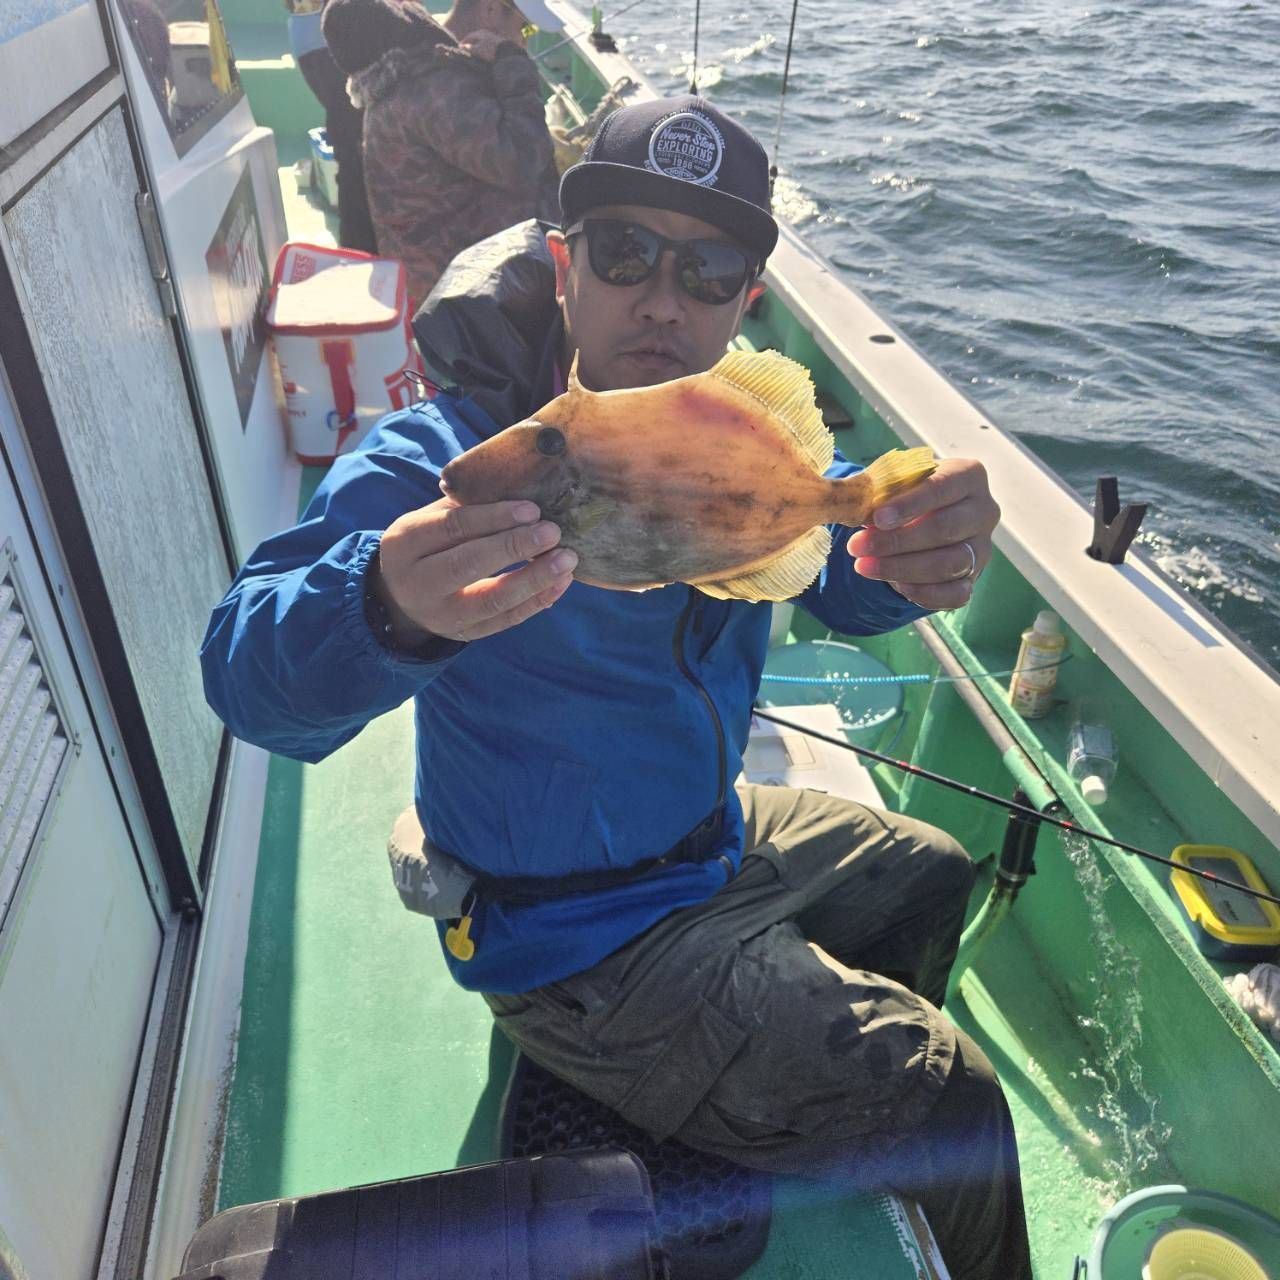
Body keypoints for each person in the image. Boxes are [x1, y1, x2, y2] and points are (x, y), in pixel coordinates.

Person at [200, 95, 1030, 1280]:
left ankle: (813, 1105)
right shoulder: (454, 457)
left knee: (931, 869)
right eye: (626, 253)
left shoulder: (733, 437)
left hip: (708, 838)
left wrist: (914, 550)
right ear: (565, 266)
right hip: (571, 933)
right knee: (959, 1105)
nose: (661, 300)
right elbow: (247, 676)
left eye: (706, 271)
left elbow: (843, 570)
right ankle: (847, 1099)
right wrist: (382, 601)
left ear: (744, 301)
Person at [320, 0, 561, 307]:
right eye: (526, 28)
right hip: (465, 295)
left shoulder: (426, 74)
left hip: (454, 276)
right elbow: (523, 160)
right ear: (490, 9)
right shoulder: (432, 87)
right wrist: (513, 62)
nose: (525, 40)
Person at [287, 0, 379, 253]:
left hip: (313, 34)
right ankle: (361, 250)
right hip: (328, 38)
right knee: (355, 150)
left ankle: (358, 250)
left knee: (350, 147)